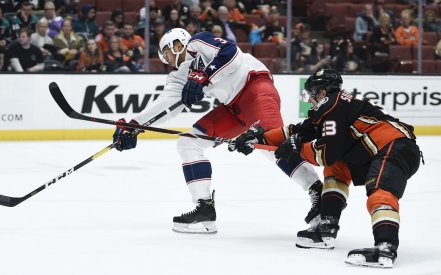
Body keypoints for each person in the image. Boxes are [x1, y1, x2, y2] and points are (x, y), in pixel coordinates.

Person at [111, 28, 323, 234]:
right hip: (233, 109)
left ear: (177, 45)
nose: (166, 59)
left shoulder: (198, 43)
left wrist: (203, 77)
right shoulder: (178, 77)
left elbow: (230, 52)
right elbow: (165, 104)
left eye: (166, 53)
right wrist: (134, 125)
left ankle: (318, 193)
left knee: (271, 146)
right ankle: (204, 208)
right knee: (188, 143)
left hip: (256, 89)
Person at [247, 69, 420, 268]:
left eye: (311, 94)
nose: (309, 100)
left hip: (394, 147)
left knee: (380, 194)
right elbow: (298, 130)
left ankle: (385, 248)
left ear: (322, 92)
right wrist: (260, 137)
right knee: (336, 169)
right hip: (378, 149)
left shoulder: (333, 106)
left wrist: (297, 150)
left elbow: (325, 153)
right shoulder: (335, 106)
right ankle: (327, 226)